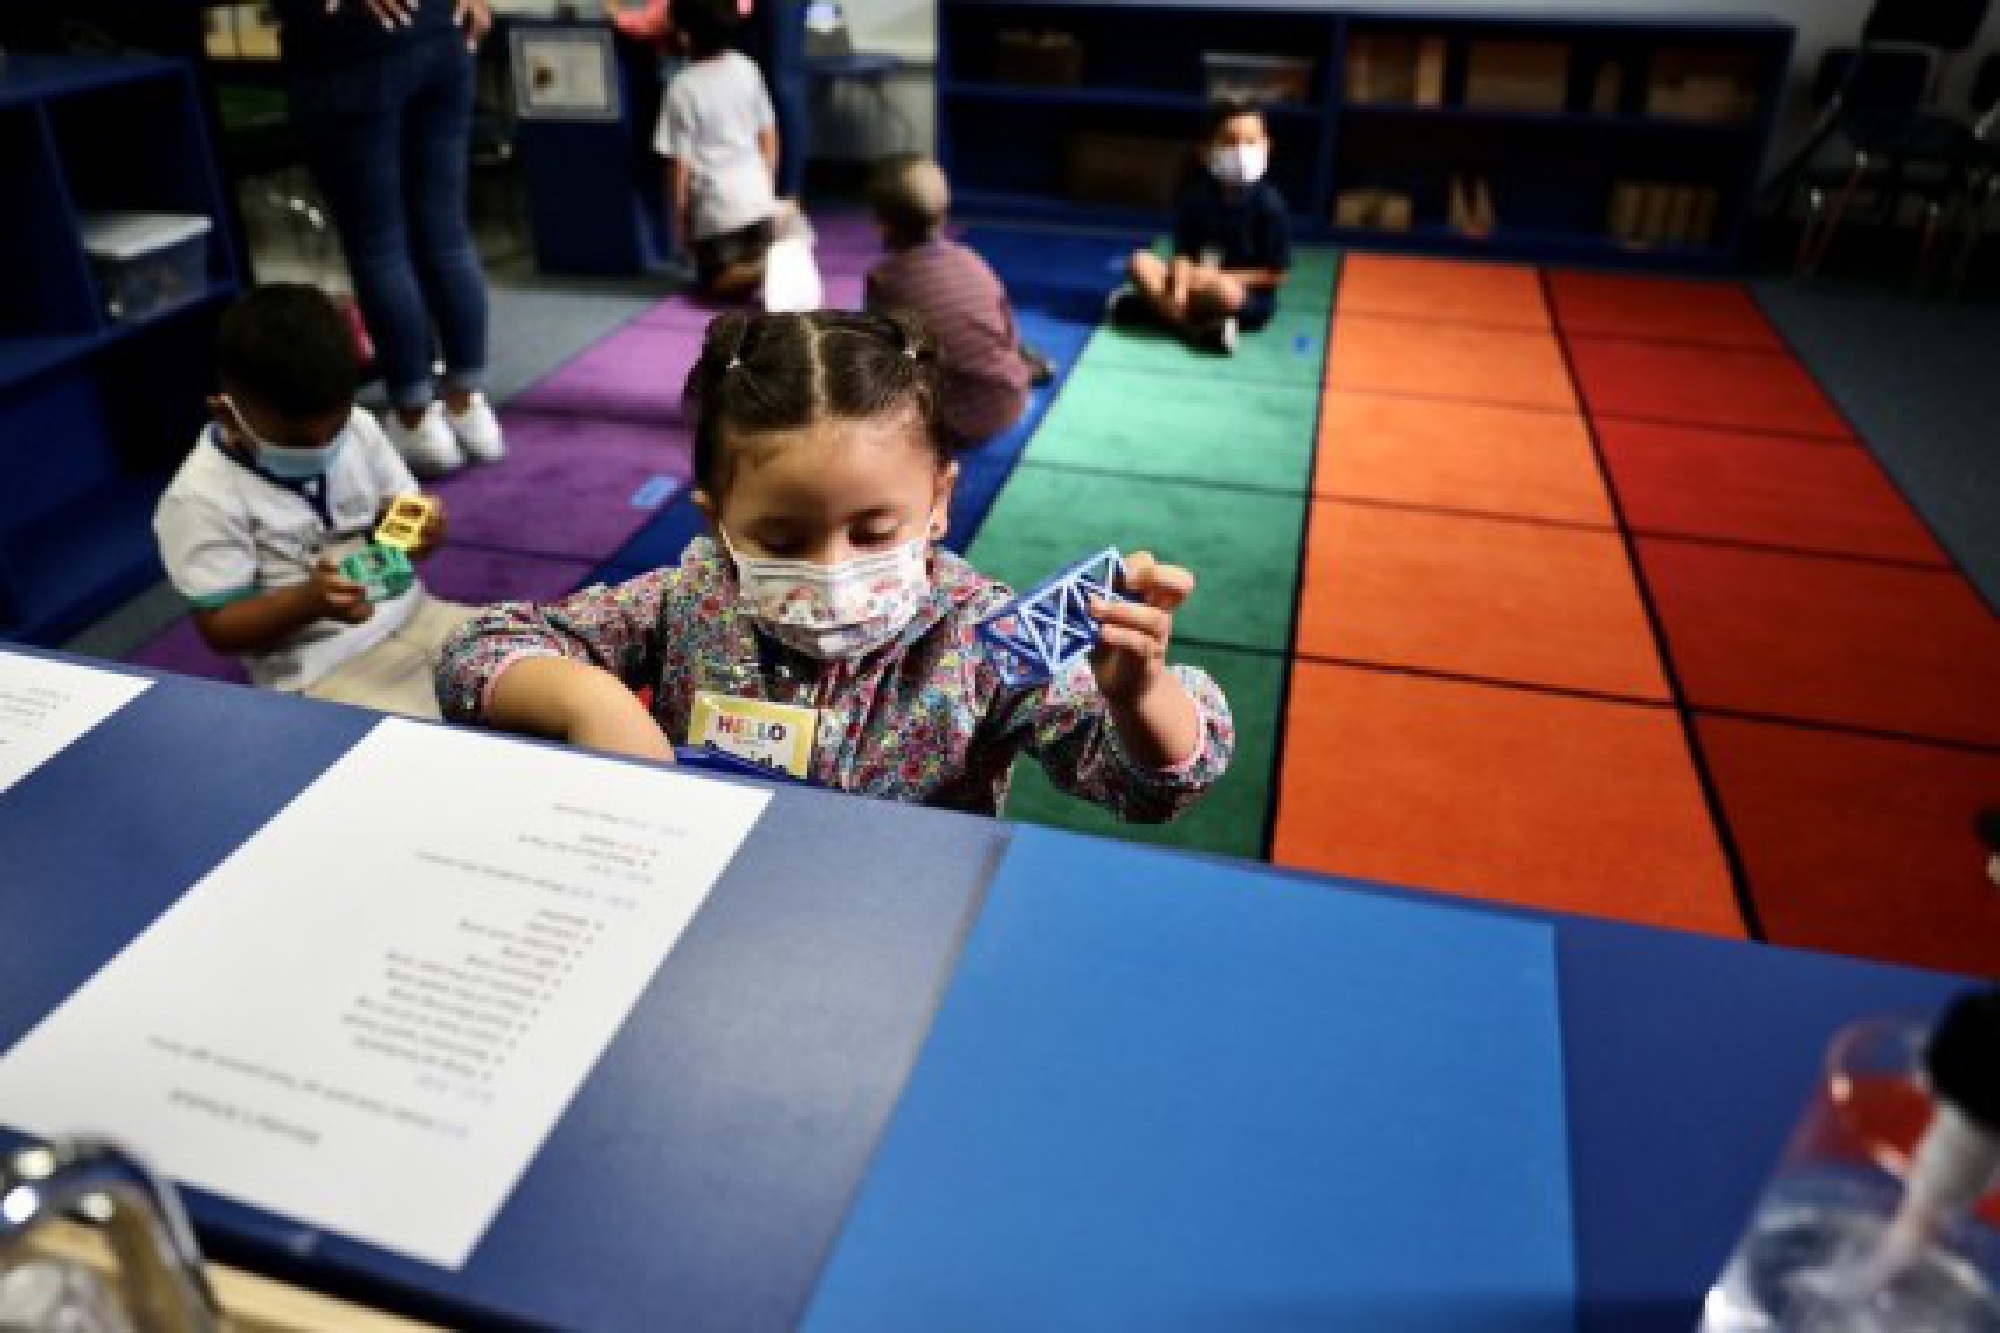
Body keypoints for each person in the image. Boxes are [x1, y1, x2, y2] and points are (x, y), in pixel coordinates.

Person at [436, 311, 1234, 817]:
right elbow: (479, 650)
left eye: (874, 528)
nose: (832, 568)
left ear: (938, 502)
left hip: (898, 930)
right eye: (781, 540)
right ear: (719, 525)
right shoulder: (692, 599)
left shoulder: (983, 637)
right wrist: (590, 699)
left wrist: (1140, 698)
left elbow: (1149, 784)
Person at [154, 285, 474, 719]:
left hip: (420, 615)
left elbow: (392, 524)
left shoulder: (359, 427)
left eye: (335, 427)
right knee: (434, 745)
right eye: (298, 441)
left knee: (552, 663)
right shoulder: (199, 497)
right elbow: (220, 626)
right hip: (321, 669)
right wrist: (311, 600)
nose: (323, 447)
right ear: (227, 412)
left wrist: (421, 534)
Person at [276, 0, 505, 476]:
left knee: (379, 245)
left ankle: (417, 418)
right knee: (445, 233)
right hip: (441, 36)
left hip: (354, 48)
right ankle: (467, 410)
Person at [863, 154, 1053, 448]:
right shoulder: (972, 260)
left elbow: (880, 357)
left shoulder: (885, 281)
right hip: (1009, 402)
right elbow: (1009, 334)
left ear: (881, 225)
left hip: (944, 422)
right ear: (943, 212)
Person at [1111, 98, 1292, 354]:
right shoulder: (1196, 197)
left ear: (1267, 146)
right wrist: (1181, 287)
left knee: (1225, 293)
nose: (1241, 151)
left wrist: (1219, 277)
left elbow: (1277, 273)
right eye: (1230, 141)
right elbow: (1182, 254)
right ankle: (1194, 328)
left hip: (1241, 294)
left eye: (1251, 142)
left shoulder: (1270, 205)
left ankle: (1147, 308)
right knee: (1139, 261)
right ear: (1206, 151)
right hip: (1193, 283)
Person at [659, 0, 784, 298]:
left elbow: (681, 164)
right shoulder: (748, 69)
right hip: (759, 203)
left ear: (684, 36)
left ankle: (763, 268)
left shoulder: (681, 87)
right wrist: (765, 188)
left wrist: (679, 222)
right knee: (745, 267)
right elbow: (768, 136)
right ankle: (766, 261)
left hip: (717, 212)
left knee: (711, 285)